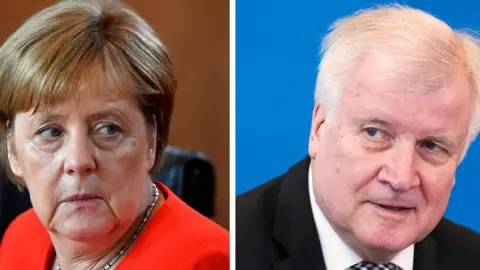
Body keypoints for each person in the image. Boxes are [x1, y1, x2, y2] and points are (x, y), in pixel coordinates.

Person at [237, 5, 480, 270]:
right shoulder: (232, 250)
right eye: (375, 133)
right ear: (319, 127)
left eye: (431, 145)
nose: (400, 178)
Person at [0, 0, 229, 269]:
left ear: (152, 140)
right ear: (12, 150)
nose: (78, 161)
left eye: (108, 129)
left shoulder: (206, 261)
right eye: (50, 132)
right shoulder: (21, 239)